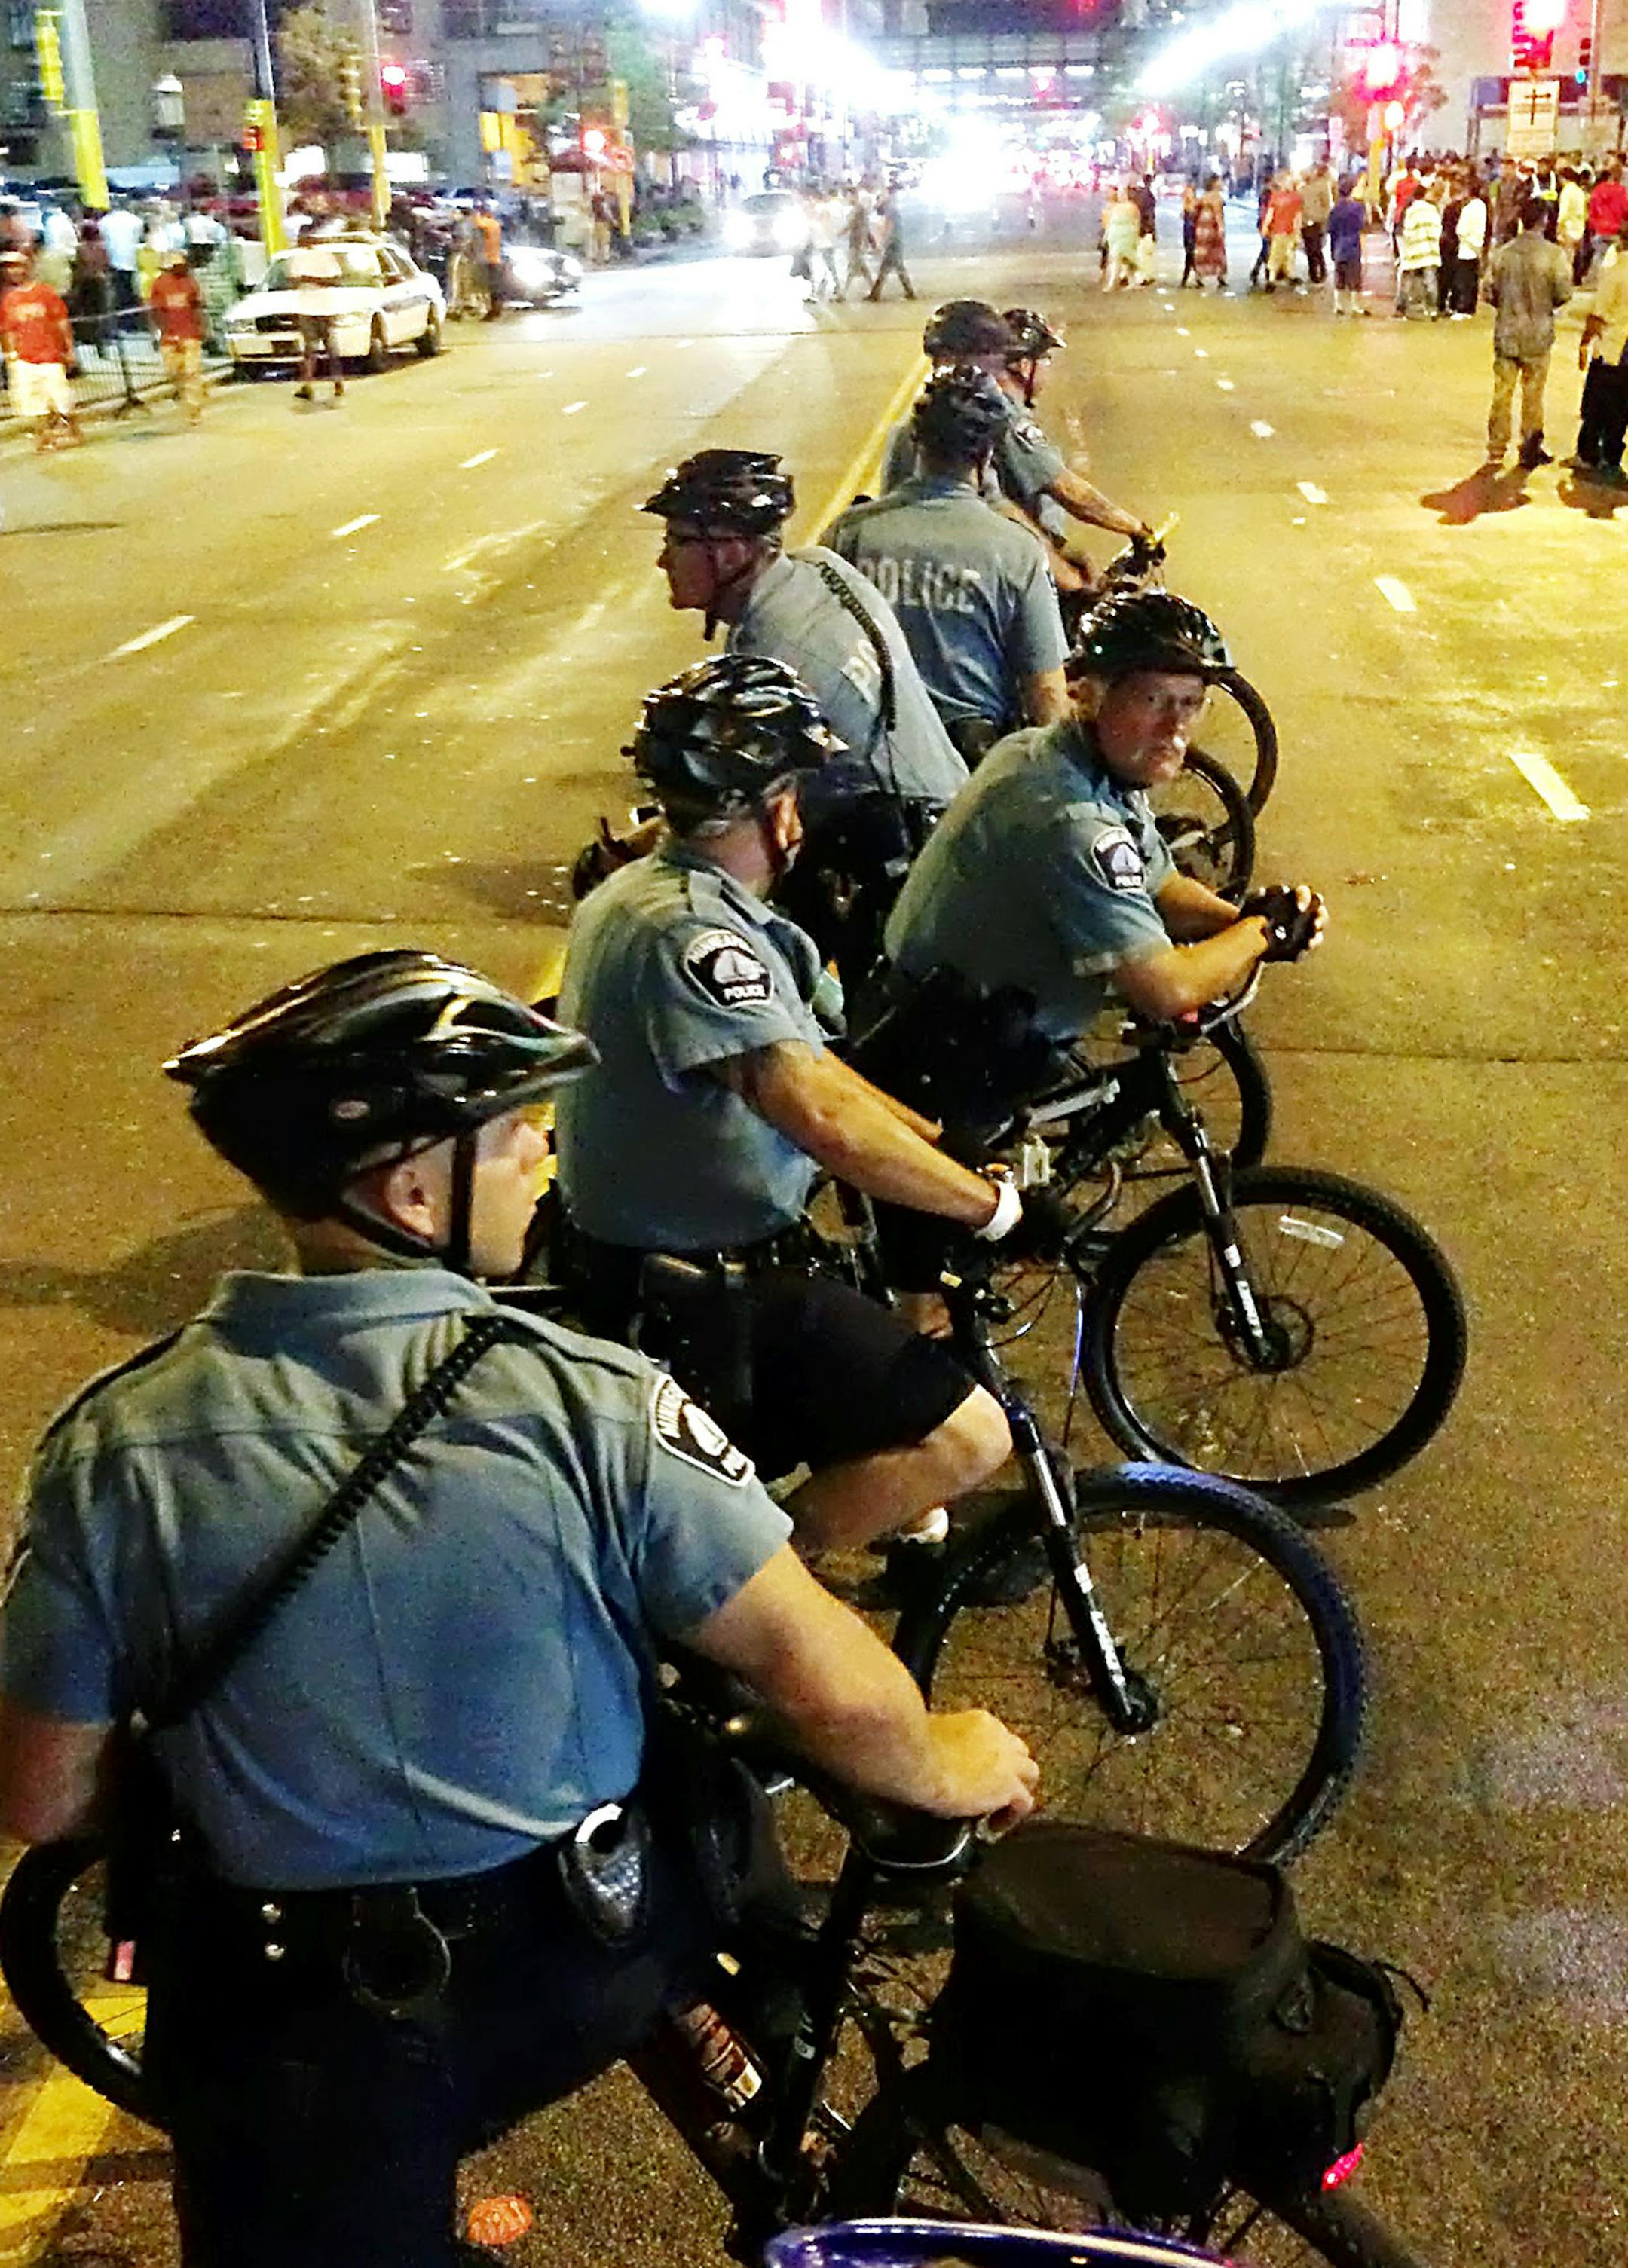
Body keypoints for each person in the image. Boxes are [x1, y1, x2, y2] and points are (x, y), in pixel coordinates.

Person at [0, 947, 1038, 2268]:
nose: (546, 1150)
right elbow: (828, 1685)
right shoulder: (586, 1399)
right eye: (512, 1136)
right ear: (410, 1186)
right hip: (582, 1956)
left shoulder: (114, 1447)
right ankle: (778, 2125)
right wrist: (949, 1756)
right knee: (704, 1789)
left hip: (306, 2023)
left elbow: (40, 1799)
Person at [554, 655, 1020, 1555]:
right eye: (791, 794)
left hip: (679, 1261)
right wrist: (995, 1209)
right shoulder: (687, 934)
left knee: (896, 1453)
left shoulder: (650, 895)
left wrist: (936, 1145)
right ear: (770, 808)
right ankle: (745, 1601)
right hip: (699, 1293)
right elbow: (815, 1112)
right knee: (969, 1436)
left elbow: (812, 1063)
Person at [854, 590, 1327, 1146]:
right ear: (1092, 697)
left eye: (1191, 702)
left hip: (963, 1025)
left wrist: (1234, 920)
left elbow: (1157, 883)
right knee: (999, 1225)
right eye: (1153, 700)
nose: (1175, 727)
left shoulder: (1072, 760)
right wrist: (1262, 932)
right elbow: (1166, 989)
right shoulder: (1069, 817)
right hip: (939, 1063)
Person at [641, 448, 965, 984]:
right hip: (929, 811)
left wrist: (633, 852)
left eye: (677, 541)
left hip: (905, 872)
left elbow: (738, 802)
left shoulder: (776, 654)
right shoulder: (818, 569)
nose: (663, 560)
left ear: (729, 552)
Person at [824, 367, 1070, 764]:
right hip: (971, 761)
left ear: (915, 442)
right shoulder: (1017, 551)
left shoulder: (849, 534)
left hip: (872, 759)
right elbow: (1046, 691)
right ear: (987, 454)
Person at [1483, 197, 1574, 469]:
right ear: (1544, 221)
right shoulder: (1554, 255)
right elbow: (1564, 293)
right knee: (1533, 393)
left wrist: (1507, 304)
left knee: (1502, 391)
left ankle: (1497, 447)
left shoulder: (1504, 253)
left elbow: (1488, 291)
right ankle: (1530, 445)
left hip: (1507, 332)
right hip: (1538, 333)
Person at [0, 246, 81, 452]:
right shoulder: (9, 299)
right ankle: (44, 437)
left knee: (62, 399)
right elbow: (8, 329)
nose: (13, 272)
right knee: (33, 404)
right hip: (25, 359)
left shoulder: (45, 293)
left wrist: (70, 349)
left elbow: (62, 322)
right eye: (9, 268)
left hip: (50, 356)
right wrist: (11, 356)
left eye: (17, 267)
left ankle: (73, 429)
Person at [1574, 214, 1628, 487]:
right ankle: (1610, 457)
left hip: (1612, 346)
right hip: (1624, 348)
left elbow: (1598, 314)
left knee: (1598, 404)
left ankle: (1590, 454)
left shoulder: (1616, 272)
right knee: (1621, 409)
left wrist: (1585, 343)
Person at [149, 246, 207, 426]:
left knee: (191, 372)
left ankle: (194, 409)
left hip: (190, 334)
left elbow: (198, 307)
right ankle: (191, 396)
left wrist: (203, 328)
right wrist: (159, 331)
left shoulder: (191, 283)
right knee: (173, 372)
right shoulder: (159, 284)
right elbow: (155, 311)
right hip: (169, 335)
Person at [286, 243, 345, 405]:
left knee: (323, 348)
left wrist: (311, 279)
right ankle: (312, 384)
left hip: (320, 308)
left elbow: (336, 280)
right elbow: (293, 281)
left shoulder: (324, 256)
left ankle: (333, 382)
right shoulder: (298, 257)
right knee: (315, 349)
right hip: (310, 308)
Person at [1396, 186, 1441, 319]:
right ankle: (1432, 309)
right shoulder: (1433, 210)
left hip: (1415, 250)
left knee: (1408, 279)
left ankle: (1402, 308)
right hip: (1430, 251)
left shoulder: (1412, 211)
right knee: (1430, 280)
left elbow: (1408, 232)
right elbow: (1438, 228)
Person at [866, 181, 915, 300]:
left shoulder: (890, 210)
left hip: (893, 243)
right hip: (896, 242)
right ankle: (909, 292)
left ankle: (875, 295)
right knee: (896, 269)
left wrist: (883, 243)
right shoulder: (892, 209)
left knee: (887, 270)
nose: (878, 201)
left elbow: (889, 227)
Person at [1328, 177, 1369, 315]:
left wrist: (1332, 250)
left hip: (1339, 244)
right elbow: (1361, 227)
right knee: (1354, 277)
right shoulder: (1357, 208)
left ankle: (1338, 305)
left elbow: (1331, 229)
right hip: (1353, 244)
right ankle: (1354, 306)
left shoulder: (1335, 209)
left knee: (1340, 276)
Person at [1450, 175, 1488, 317]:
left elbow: (1461, 229)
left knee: (1463, 280)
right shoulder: (1482, 206)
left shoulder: (1469, 208)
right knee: (1473, 280)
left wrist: (1465, 239)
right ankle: (1470, 308)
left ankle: (1463, 308)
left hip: (1466, 248)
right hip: (1477, 246)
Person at [1264, 170, 1304, 291]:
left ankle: (1272, 278)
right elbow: (1298, 217)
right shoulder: (1296, 198)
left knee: (1276, 253)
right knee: (1289, 253)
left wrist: (1266, 227)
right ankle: (1289, 275)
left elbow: (1270, 214)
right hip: (1289, 230)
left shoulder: (1275, 197)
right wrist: (1298, 232)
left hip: (1278, 230)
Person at [1587, 158, 1627, 277]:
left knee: (1599, 257)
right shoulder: (1620, 190)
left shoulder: (1597, 191)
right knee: (1616, 259)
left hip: (1599, 230)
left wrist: (1593, 226)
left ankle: (1596, 280)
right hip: (1616, 230)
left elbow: (1592, 211)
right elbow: (1625, 210)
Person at [1299, 156, 1334, 285]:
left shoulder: (1323, 185)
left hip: (1317, 221)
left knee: (1316, 247)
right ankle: (1313, 271)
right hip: (1305, 221)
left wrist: (1325, 219)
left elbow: (1327, 204)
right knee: (1309, 248)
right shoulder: (1301, 188)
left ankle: (1321, 270)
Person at [1102, 181, 1141, 290]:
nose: (1121, 195)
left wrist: (1136, 236)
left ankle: (1113, 283)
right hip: (1116, 235)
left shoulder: (1132, 207)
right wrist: (1107, 236)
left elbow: (1137, 222)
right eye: (1120, 193)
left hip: (1126, 235)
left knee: (1117, 257)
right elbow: (1109, 222)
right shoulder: (1115, 207)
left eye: (1123, 193)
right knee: (1124, 260)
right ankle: (1132, 282)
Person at [1192, 173, 1228, 289]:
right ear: (1215, 184)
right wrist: (1221, 228)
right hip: (1212, 226)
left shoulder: (1204, 196)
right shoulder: (1217, 197)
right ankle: (1220, 276)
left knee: (1203, 250)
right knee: (1216, 251)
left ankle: (1199, 275)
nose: (1222, 184)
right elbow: (1218, 214)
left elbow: (1194, 208)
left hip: (1202, 225)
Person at [1556, 165, 1590, 283]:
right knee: (1574, 256)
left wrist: (1559, 227)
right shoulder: (1579, 191)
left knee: (1567, 258)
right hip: (1579, 228)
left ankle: (1566, 282)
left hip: (1568, 227)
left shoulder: (1567, 191)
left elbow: (1564, 212)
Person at [841, 185, 875, 298]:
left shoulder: (859, 210)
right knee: (861, 268)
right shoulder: (858, 209)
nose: (847, 199)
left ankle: (843, 294)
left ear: (854, 196)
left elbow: (853, 225)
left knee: (853, 267)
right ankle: (874, 290)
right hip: (856, 241)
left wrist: (839, 233)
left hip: (857, 242)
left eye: (848, 196)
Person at [1178, 179, 1199, 286]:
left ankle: (1186, 278)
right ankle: (1196, 277)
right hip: (1188, 232)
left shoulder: (1195, 204)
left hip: (1192, 232)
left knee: (1190, 255)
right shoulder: (1188, 206)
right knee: (1190, 255)